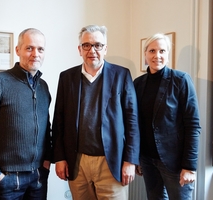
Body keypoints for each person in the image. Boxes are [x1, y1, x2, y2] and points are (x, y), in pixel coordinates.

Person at [52, 25, 140, 200]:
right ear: (79, 49)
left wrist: (130, 161)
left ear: (105, 49)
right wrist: (60, 157)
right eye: (86, 45)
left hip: (111, 161)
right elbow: (59, 120)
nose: (92, 50)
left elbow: (132, 121)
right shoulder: (66, 77)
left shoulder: (121, 75)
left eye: (98, 45)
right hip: (77, 161)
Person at [0, 28, 52, 200]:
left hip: (38, 178)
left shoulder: (43, 87)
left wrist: (46, 162)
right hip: (6, 179)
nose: (35, 54)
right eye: (29, 48)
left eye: (40, 49)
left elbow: (46, 127)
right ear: (18, 50)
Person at [133, 33, 201, 200]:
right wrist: (137, 158)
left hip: (175, 163)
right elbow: (135, 123)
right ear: (145, 54)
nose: (157, 56)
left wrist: (189, 167)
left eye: (162, 51)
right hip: (148, 160)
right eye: (152, 51)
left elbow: (193, 125)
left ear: (168, 54)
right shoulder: (138, 83)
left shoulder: (181, 80)